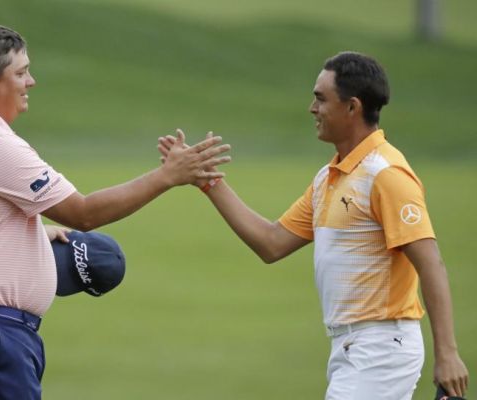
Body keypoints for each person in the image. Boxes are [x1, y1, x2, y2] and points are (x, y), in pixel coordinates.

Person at [0, 24, 230, 399]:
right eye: (20, 73)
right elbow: (83, 213)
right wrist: (169, 176)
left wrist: (33, 235)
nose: (31, 81)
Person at [158, 51, 468, 399]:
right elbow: (271, 242)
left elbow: (431, 264)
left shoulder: (386, 174)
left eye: (321, 99)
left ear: (352, 107)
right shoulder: (329, 178)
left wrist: (448, 354)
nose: (312, 108)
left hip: (381, 348)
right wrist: (209, 182)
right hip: (350, 347)